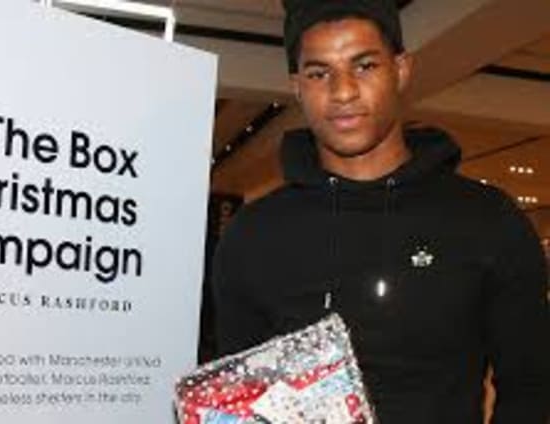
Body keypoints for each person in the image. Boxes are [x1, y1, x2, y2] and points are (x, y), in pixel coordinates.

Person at [211, 0, 550, 422]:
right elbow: (237, 399)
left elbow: (530, 387)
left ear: (401, 70)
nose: (343, 92)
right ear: (297, 86)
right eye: (319, 73)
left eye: (365, 66)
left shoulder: (487, 221)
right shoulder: (253, 235)